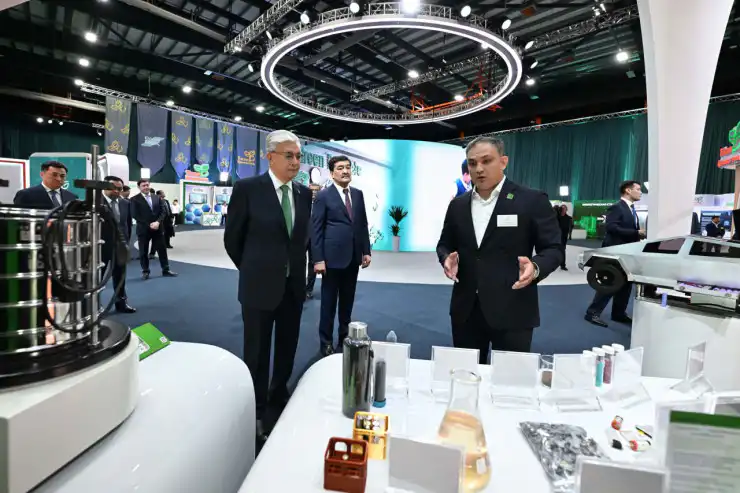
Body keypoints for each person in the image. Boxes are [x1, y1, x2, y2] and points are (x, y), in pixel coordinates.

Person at [436, 137, 563, 363]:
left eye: (487, 161)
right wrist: (446, 258)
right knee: (466, 373)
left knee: (510, 377)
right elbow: (444, 243)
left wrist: (535, 268)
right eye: (472, 163)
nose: (479, 169)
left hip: (513, 307)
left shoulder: (531, 200)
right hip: (466, 310)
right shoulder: (458, 205)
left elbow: (553, 249)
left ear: (503, 162)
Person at [224, 129, 312, 441]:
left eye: (298, 156)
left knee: (288, 347)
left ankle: (279, 395)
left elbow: (301, 241)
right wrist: (253, 269)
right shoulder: (248, 189)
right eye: (289, 156)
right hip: (258, 287)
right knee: (257, 353)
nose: (295, 162)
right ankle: (257, 408)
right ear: (270, 157)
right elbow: (233, 240)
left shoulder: (303, 194)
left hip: (293, 288)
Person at [312, 155, 372, 356]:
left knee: (347, 304)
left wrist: (366, 251)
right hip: (331, 260)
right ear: (332, 173)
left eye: (347, 167)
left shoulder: (358, 194)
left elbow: (362, 224)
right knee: (328, 304)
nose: (345, 171)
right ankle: (326, 342)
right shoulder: (323, 196)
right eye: (340, 168)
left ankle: (344, 338)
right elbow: (316, 230)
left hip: (353, 258)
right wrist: (318, 259)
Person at [584, 180, 645, 328]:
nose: (640, 192)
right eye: (638, 189)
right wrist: (636, 233)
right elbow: (611, 227)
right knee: (611, 282)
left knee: (626, 284)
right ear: (628, 190)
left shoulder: (631, 209)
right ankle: (592, 313)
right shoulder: (617, 207)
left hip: (628, 253)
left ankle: (618, 314)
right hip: (615, 253)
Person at [130, 179, 178, 280]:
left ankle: (166, 269)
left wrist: (158, 222)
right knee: (143, 252)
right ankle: (145, 271)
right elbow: (135, 215)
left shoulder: (156, 197)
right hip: (143, 229)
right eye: (143, 185)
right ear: (139, 187)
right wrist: (149, 224)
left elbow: (163, 211)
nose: (146, 187)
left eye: (147, 185)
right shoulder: (134, 199)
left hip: (158, 228)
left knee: (162, 250)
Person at [100, 175, 136, 313]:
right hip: (101, 247)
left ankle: (121, 303)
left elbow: (127, 225)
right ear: (104, 187)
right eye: (113, 188)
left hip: (120, 246)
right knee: (97, 278)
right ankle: (93, 306)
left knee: (120, 276)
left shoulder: (125, 203)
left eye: (119, 189)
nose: (116, 191)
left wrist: (126, 243)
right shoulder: (95, 203)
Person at [306, 183, 321, 300]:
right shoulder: (301, 203)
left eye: (316, 190)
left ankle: (308, 290)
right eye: (312, 190)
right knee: (297, 263)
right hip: (301, 238)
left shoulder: (322, 205)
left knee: (312, 264)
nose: (314, 192)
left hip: (315, 239)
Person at [557, 204, 573, 270]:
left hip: (563, 237)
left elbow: (571, 227)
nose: (563, 209)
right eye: (562, 208)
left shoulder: (568, 218)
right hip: (555, 237)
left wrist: (570, 235)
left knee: (562, 251)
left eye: (564, 208)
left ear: (566, 210)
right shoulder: (556, 217)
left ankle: (563, 265)